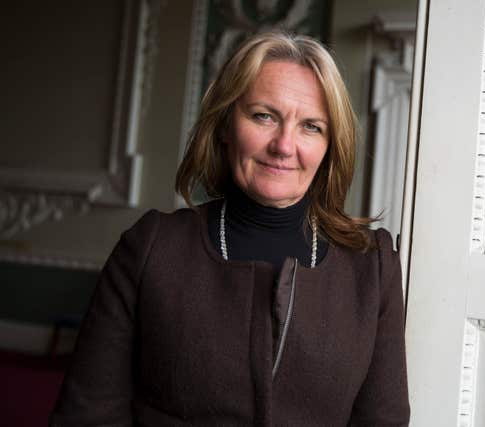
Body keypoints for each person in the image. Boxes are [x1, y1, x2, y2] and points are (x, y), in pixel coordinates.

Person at [51, 31, 409, 426]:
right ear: (225, 125)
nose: (284, 145)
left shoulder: (372, 267)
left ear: (329, 147)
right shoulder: (152, 247)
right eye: (264, 116)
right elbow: (86, 417)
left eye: (311, 126)